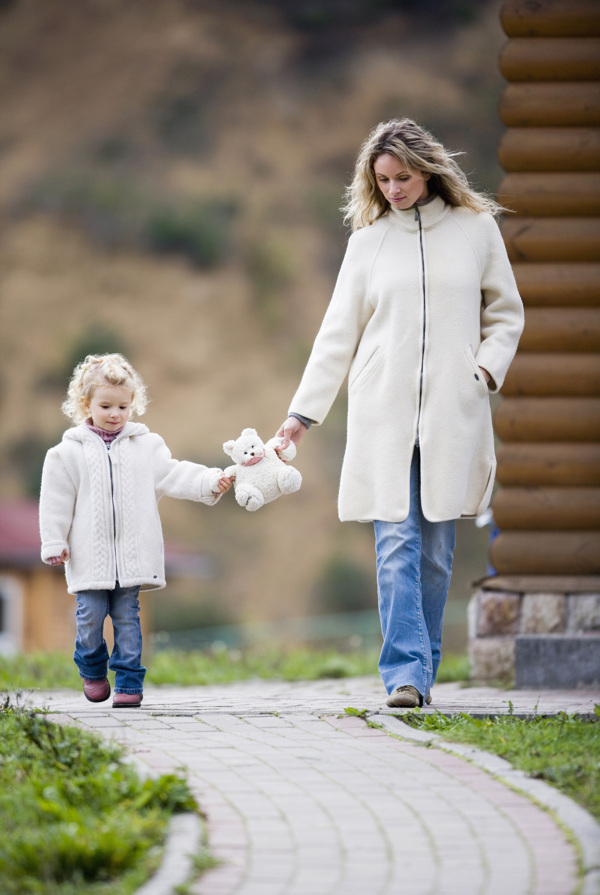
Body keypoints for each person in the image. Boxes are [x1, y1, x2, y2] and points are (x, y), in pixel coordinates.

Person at [277, 118, 524, 708]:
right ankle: (406, 675)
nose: (394, 189)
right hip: (382, 413)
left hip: (453, 412)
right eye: (383, 179)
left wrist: (483, 371)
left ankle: (423, 668)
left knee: (436, 553)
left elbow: (506, 314)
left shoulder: (476, 229)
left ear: (427, 170)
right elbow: (337, 336)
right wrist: (300, 416)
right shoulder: (368, 243)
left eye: (403, 177)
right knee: (395, 544)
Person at [39, 353, 233, 708]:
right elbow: (55, 500)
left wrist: (210, 480)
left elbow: (175, 473)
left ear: (133, 405)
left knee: (128, 619)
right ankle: (92, 667)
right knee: (90, 618)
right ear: (86, 404)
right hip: (88, 558)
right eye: (106, 405)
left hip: (132, 558)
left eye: (123, 406)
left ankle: (129, 682)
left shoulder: (147, 446)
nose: (115, 414)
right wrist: (54, 540)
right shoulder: (66, 453)